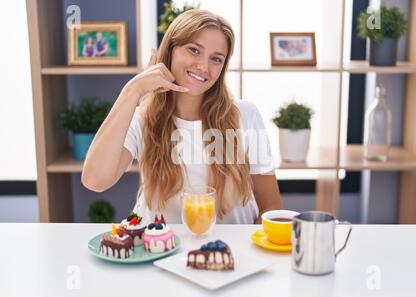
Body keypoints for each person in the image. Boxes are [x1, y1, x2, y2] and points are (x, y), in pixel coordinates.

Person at [82, 9, 282, 224]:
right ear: (170, 51)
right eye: (194, 50)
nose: (204, 67)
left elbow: (270, 207)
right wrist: (132, 91)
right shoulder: (142, 118)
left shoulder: (246, 115)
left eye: (216, 59)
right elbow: (95, 180)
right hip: (161, 248)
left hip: (230, 252)